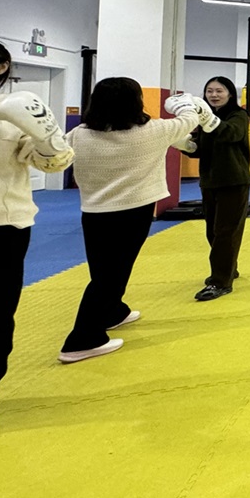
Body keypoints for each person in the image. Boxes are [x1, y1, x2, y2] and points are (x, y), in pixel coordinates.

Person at [60, 79, 214, 362]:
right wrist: (188, 103)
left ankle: (112, 311)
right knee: (110, 274)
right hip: (133, 212)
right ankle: (82, 339)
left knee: (107, 268)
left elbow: (54, 155)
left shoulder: (79, 134)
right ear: (135, 102)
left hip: (93, 213)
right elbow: (188, 120)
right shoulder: (152, 131)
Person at [0, 39, 73, 420]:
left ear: (1, 67)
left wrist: (46, 136)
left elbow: (55, 164)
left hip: (1, 227)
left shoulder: (11, 114)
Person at [182, 77, 250, 302]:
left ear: (230, 94)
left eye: (219, 91)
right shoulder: (205, 118)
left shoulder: (238, 115)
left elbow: (231, 134)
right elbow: (199, 149)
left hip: (234, 180)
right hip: (210, 180)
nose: (214, 95)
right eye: (209, 91)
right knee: (212, 231)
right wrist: (183, 144)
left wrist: (207, 119)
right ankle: (229, 268)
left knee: (225, 232)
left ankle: (220, 282)